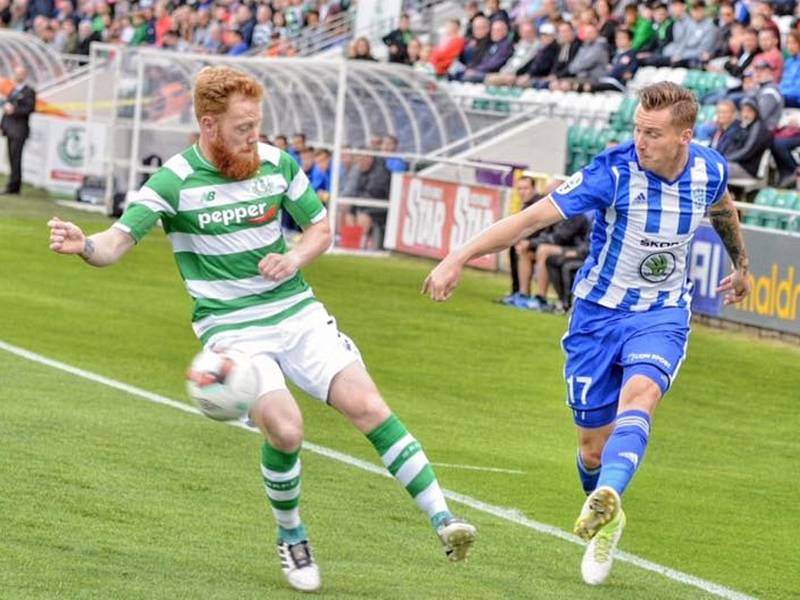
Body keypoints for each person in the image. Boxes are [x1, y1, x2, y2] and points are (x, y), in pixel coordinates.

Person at [47, 65, 476, 593]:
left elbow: (320, 229)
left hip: (296, 313)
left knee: (368, 406)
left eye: (257, 124)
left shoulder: (276, 164)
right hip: (233, 331)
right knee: (287, 428)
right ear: (208, 124)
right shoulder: (173, 182)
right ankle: (292, 535)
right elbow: (114, 243)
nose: (254, 137)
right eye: (242, 128)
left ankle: (444, 520)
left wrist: (294, 257)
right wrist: (84, 244)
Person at [423, 81, 749, 587]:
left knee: (640, 397)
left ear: (686, 135)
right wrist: (457, 256)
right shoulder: (612, 172)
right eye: (638, 129)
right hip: (597, 316)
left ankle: (611, 495)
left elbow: (724, 207)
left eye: (654, 134)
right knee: (592, 447)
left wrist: (742, 266)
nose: (641, 141)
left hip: (661, 313)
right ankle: (606, 515)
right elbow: (531, 219)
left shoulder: (709, 167)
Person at [1, 65, 36, 195]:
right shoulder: (12, 90)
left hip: (19, 131)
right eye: (16, 73)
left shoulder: (29, 91)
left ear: (24, 75)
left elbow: (29, 109)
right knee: (10, 158)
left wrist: (14, 110)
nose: (18, 76)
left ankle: (14, 186)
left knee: (16, 159)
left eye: (20, 74)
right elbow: (6, 108)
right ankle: (12, 185)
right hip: (9, 130)